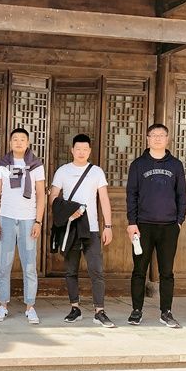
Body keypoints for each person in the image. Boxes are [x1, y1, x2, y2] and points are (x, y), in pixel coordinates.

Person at [49, 133, 115, 327]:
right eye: (78, 149)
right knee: (71, 270)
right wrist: (70, 210)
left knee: (96, 270)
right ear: (72, 150)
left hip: (92, 228)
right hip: (71, 227)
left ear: (89, 151)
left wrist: (108, 226)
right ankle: (75, 308)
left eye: (85, 149)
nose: (81, 152)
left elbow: (104, 199)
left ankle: (99, 311)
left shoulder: (96, 172)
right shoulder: (63, 171)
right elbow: (53, 198)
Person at [126, 124, 186, 328]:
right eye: (154, 135)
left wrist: (179, 221)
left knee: (167, 271)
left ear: (167, 139)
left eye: (162, 135)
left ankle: (166, 312)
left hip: (169, 226)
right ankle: (136, 310)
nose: (158, 138)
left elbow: (181, 195)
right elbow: (131, 195)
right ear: (147, 138)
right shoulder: (138, 164)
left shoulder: (176, 165)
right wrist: (132, 223)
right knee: (139, 270)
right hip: (143, 225)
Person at [0, 128, 46, 324]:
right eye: (15, 139)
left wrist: (38, 221)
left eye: (22, 139)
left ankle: (30, 307)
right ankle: (3, 305)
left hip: (28, 220)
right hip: (6, 218)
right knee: (4, 265)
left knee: (29, 265)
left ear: (28, 143)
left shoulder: (36, 166)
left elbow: (41, 195)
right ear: (10, 142)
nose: (19, 142)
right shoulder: (2, 166)